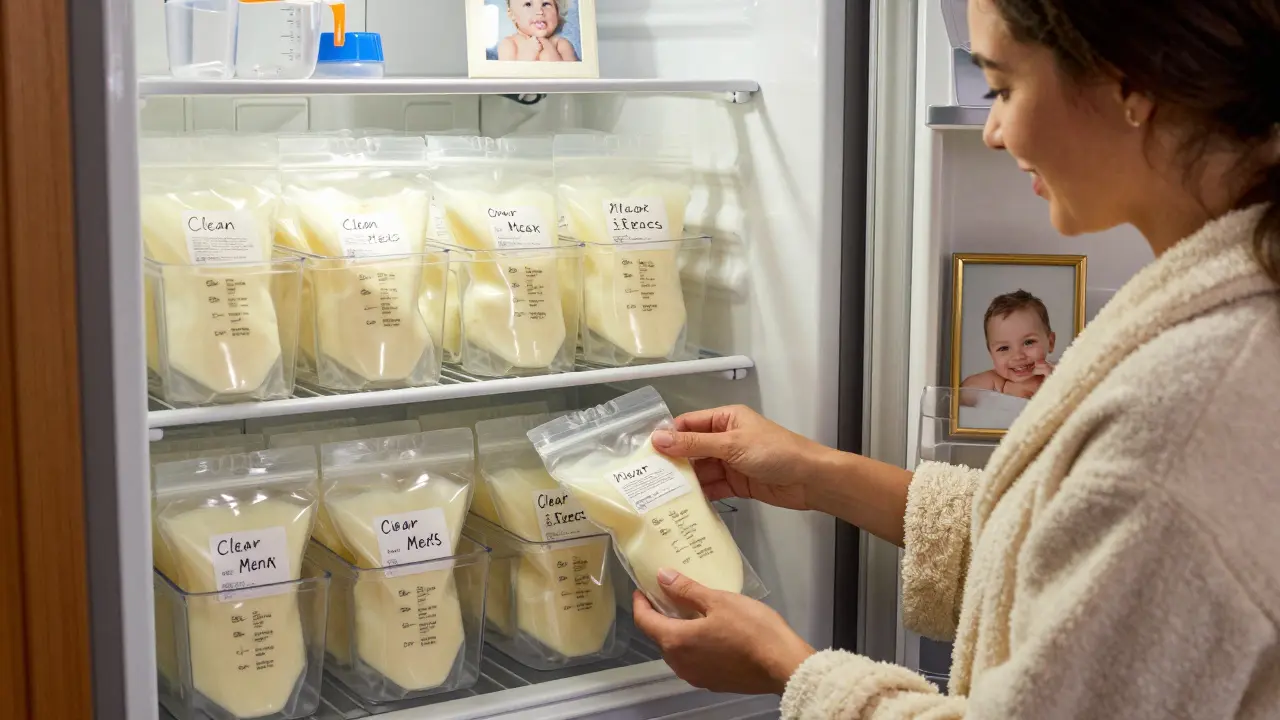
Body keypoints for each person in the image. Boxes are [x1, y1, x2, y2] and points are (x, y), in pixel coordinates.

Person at [629, 0, 1280, 717]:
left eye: (1001, 86)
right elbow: (1086, 571)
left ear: (1131, 83)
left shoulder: (1187, 413)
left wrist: (788, 666)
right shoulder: (1219, 308)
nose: (994, 132)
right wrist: (821, 475)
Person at [960, 289, 1056, 398]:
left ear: (1050, 342)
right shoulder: (993, 382)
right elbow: (961, 398)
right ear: (991, 354)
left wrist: (1054, 387)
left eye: (1028, 342)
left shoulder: (1058, 378)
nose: (1018, 356)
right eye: (1004, 348)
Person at [497, 0, 579, 63]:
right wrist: (526, 56)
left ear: (558, 12)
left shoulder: (561, 44)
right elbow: (508, 78)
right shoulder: (510, 43)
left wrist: (550, 51)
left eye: (545, 4)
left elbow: (574, 77)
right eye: (528, 4)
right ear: (512, 14)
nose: (540, 12)